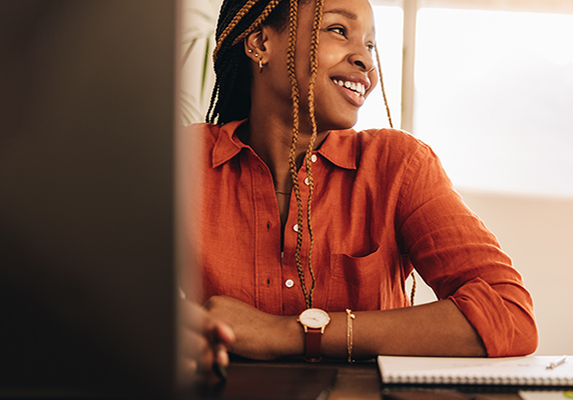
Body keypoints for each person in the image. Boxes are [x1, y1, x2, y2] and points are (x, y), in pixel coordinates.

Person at [181, 0, 538, 380]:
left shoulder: (397, 166)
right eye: (338, 30)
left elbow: (508, 312)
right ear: (260, 43)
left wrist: (289, 333)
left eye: (370, 46)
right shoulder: (182, 162)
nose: (366, 63)